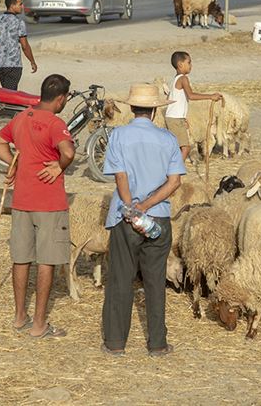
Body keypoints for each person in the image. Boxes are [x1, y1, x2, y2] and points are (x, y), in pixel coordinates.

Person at [102, 84, 186, 357]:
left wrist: (130, 208)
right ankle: (158, 343)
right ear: (154, 111)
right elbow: (174, 181)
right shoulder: (168, 139)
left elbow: (120, 176)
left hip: (124, 219)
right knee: (155, 280)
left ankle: (115, 343)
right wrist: (147, 206)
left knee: (120, 279)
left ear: (131, 108)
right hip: (158, 218)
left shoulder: (119, 136)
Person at [0, 74, 75, 339]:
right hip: (48, 202)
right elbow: (69, 153)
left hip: (22, 200)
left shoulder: (22, 117)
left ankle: (19, 317)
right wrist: (59, 166)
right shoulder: (55, 123)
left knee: (21, 257)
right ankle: (39, 324)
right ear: (61, 99)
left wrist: (13, 166)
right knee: (46, 260)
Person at [165, 51, 222, 163]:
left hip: (174, 117)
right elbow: (191, 95)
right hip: (175, 118)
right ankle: (176, 171)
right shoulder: (183, 79)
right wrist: (211, 96)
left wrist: (183, 118)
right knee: (185, 148)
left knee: (178, 146)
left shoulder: (175, 79)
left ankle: (173, 169)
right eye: (189, 62)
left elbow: (173, 99)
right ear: (180, 64)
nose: (191, 65)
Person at [0, 0, 37, 90]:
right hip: (14, 65)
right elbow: (25, 45)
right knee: (10, 94)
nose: (22, 7)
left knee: (7, 90)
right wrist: (32, 61)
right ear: (12, 5)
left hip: (0, 64)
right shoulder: (19, 22)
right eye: (20, 4)